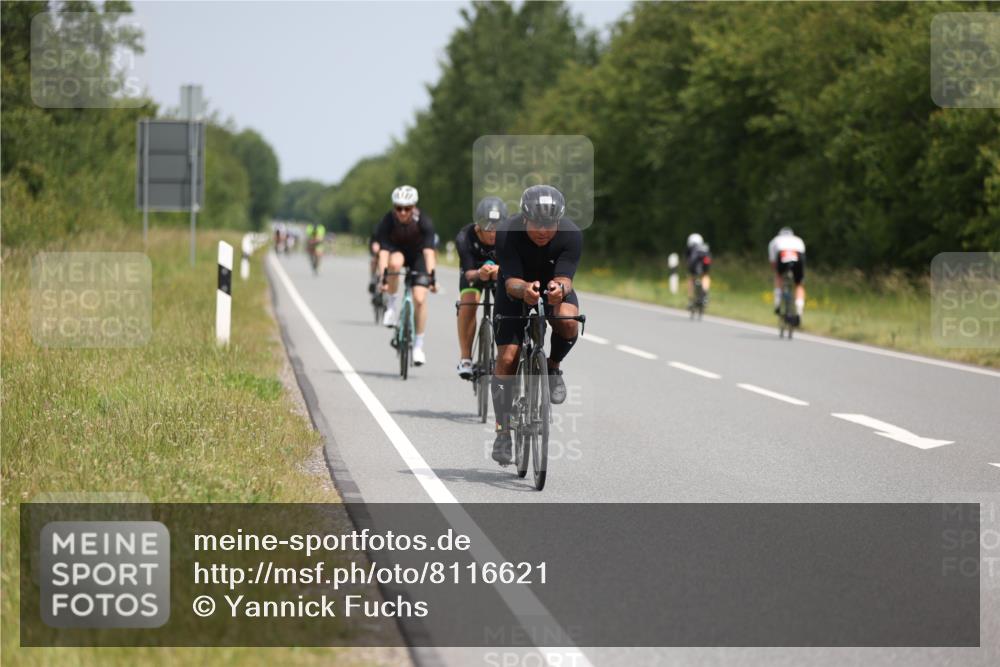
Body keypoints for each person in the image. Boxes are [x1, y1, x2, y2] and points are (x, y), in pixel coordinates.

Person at [490, 185, 582, 466]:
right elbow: (510, 282)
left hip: (552, 286)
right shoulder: (507, 233)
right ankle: (503, 431)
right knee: (507, 357)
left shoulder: (571, 235)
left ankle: (552, 367)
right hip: (515, 289)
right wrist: (525, 290)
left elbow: (566, 277)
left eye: (550, 224)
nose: (544, 230)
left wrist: (560, 289)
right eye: (537, 223)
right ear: (524, 219)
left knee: (567, 321)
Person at [374, 185, 437, 366]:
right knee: (394, 264)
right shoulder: (387, 221)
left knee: (419, 299)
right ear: (394, 207)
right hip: (397, 252)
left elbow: (429, 252)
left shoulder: (424, 221)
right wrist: (383, 278)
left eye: (407, 208)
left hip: (418, 255)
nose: (402, 212)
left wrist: (432, 278)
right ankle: (392, 307)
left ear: (414, 207)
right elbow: (383, 254)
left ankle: (418, 346)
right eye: (398, 208)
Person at [455, 197, 507, 379]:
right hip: (475, 273)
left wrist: (500, 271)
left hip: (500, 273)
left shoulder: (509, 236)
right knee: (468, 304)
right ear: (478, 225)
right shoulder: (465, 236)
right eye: (488, 227)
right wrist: (481, 273)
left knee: (508, 309)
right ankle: (466, 358)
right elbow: (468, 273)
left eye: (497, 227)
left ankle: (505, 355)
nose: (493, 232)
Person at [767, 226, 806, 324]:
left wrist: (777, 272)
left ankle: (777, 304)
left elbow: (773, 262)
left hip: (782, 254)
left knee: (778, 276)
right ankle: (799, 311)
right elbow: (803, 258)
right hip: (798, 255)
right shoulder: (798, 240)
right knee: (799, 284)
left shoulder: (775, 240)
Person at [685, 233, 712, 307]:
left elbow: (688, 260)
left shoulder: (690, 247)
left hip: (694, 263)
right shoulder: (705, 247)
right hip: (705, 261)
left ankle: (690, 300)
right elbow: (709, 257)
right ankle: (705, 294)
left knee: (691, 278)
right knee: (705, 276)